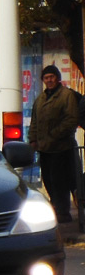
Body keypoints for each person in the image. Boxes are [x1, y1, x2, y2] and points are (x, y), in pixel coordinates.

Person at [29, 64, 78, 224]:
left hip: (61, 148)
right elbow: (35, 122)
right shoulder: (40, 99)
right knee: (48, 180)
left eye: (52, 77)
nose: (49, 80)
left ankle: (63, 212)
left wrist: (54, 135)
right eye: (46, 78)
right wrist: (33, 140)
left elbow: (71, 119)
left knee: (60, 181)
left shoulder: (66, 95)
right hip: (45, 149)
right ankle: (56, 206)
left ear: (58, 78)